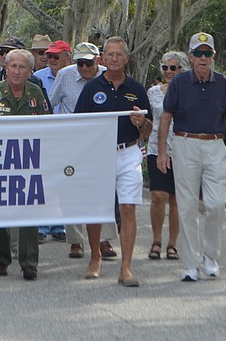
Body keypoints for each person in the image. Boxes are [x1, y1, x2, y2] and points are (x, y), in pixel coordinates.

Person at [157, 33, 226, 282]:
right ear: (191, 56)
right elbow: (165, 117)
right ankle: (190, 263)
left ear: (213, 56)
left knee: (217, 204)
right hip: (185, 143)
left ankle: (210, 256)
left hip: (215, 145)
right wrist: (163, 151)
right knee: (187, 206)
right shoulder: (180, 82)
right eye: (198, 53)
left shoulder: (223, 83)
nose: (203, 58)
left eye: (208, 53)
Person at [74, 36, 152, 286]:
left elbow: (148, 129)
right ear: (102, 58)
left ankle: (126, 268)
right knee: (96, 208)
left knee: (128, 208)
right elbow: (78, 125)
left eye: (120, 54)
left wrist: (143, 124)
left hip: (129, 152)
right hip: (98, 154)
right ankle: (95, 257)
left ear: (127, 58)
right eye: (110, 54)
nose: (115, 59)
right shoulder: (91, 88)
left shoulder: (137, 89)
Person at [0, 49, 49, 280]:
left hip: (28, 161)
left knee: (29, 210)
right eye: (13, 66)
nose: (17, 71)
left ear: (30, 71)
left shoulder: (36, 92)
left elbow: (50, 124)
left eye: (22, 67)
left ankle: (28, 262)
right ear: (5, 68)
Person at [49, 42, 119, 261]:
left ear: (98, 60)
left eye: (88, 63)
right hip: (70, 141)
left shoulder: (110, 77)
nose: (84, 68)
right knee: (71, 191)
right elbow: (50, 104)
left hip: (100, 141)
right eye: (80, 63)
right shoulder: (64, 75)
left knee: (102, 190)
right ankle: (76, 241)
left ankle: (103, 240)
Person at [146, 51, 189, 261]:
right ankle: (156, 240)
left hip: (183, 149)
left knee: (176, 200)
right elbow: (147, 120)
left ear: (183, 69)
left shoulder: (189, 91)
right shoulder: (153, 92)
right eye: (165, 68)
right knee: (158, 196)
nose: (169, 72)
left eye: (174, 68)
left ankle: (172, 244)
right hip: (156, 148)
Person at [32, 39, 72, 243]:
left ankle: (59, 225)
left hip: (67, 137)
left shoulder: (75, 76)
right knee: (44, 181)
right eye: (49, 56)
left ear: (68, 58)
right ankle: (41, 225)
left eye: (56, 57)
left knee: (64, 180)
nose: (51, 60)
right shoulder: (37, 77)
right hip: (44, 135)